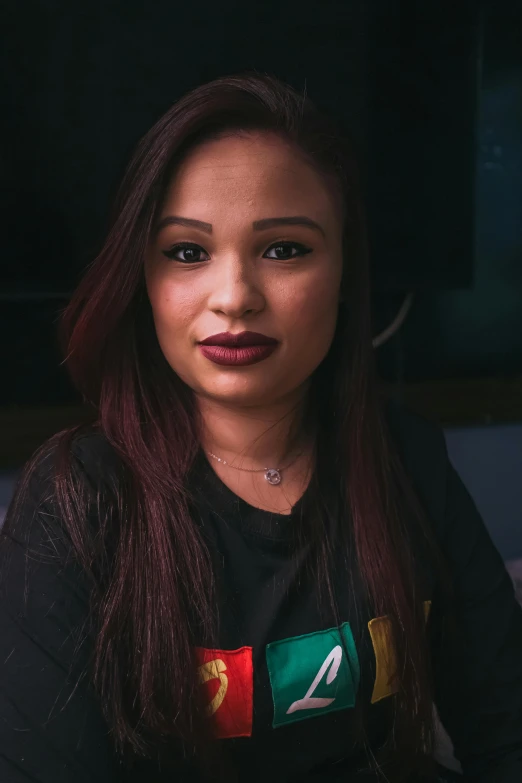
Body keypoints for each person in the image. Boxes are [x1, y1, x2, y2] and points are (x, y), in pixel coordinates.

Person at [1, 71, 521, 783]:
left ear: (342, 271)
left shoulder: (406, 457)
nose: (235, 297)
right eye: (187, 251)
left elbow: (505, 728)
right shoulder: (74, 504)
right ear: (143, 278)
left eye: (284, 249)